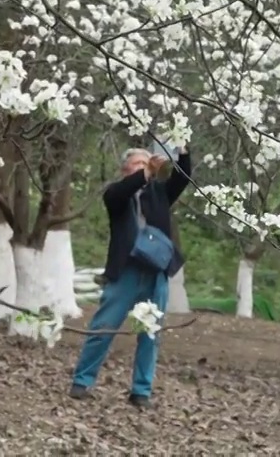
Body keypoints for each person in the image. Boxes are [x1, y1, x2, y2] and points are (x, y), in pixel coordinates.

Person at [69, 143, 192, 408]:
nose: (146, 166)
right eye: (139, 163)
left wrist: (183, 150)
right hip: (125, 271)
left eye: (148, 163)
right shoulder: (117, 194)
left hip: (155, 273)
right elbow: (123, 191)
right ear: (126, 169)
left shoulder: (159, 193)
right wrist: (145, 173)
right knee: (104, 327)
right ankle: (82, 381)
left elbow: (183, 177)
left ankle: (141, 391)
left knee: (149, 333)